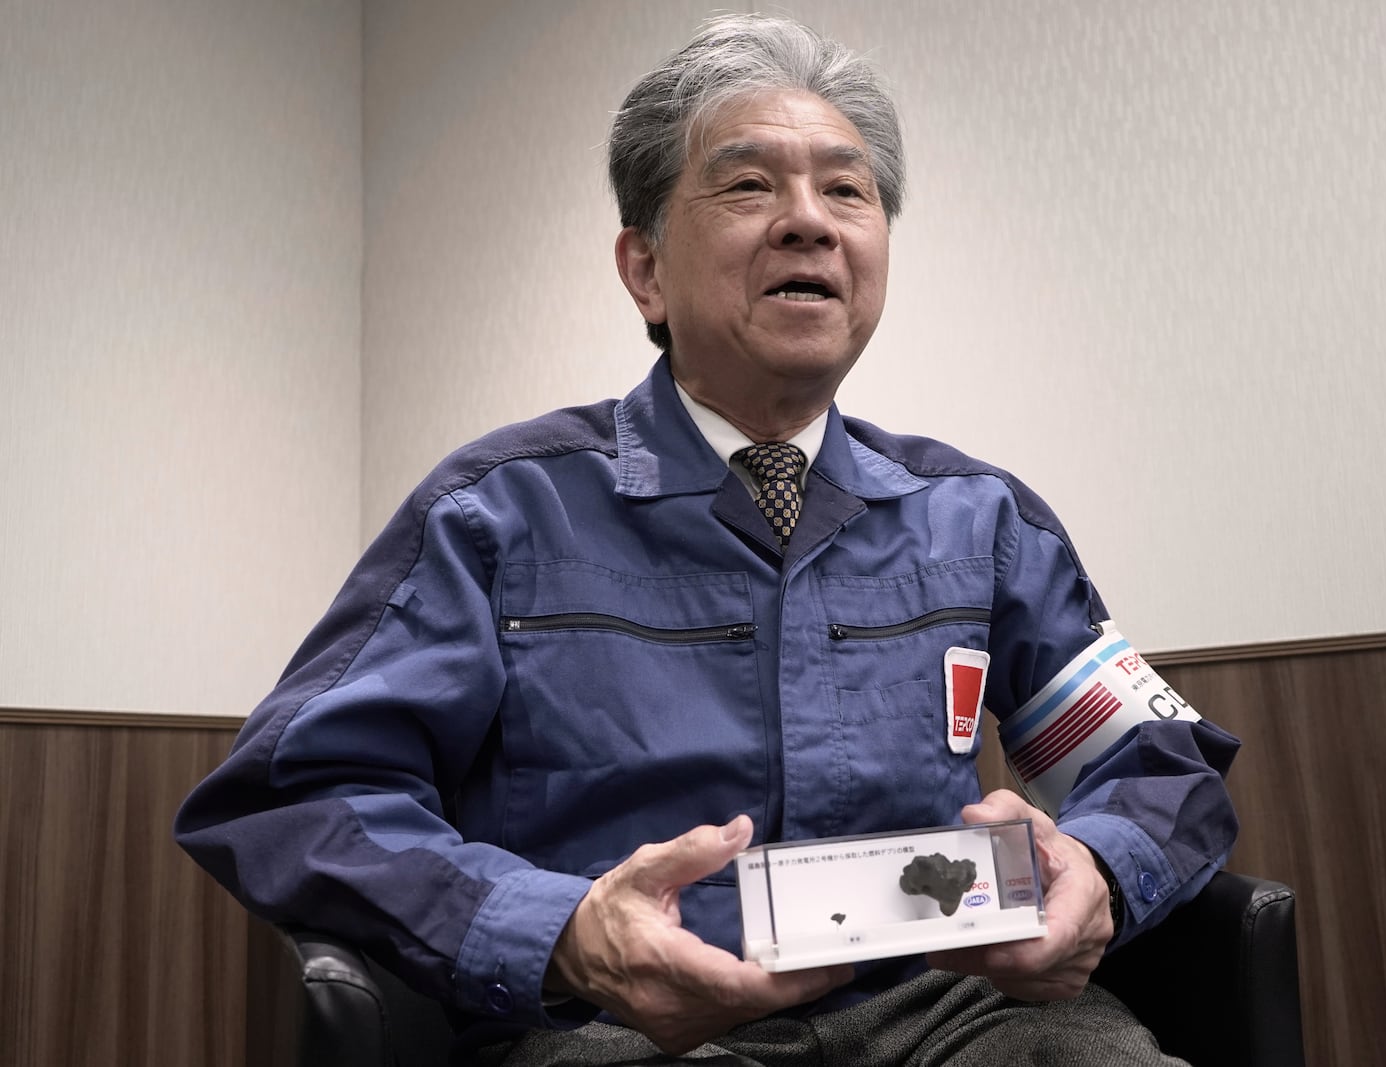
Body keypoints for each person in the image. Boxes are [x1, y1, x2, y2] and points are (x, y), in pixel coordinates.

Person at [175, 14, 1240, 1066]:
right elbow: (301, 794)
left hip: (945, 1011)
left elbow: (1156, 762)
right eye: (747, 185)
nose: (809, 222)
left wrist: (1096, 866)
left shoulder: (978, 518)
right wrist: (562, 931)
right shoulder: (495, 512)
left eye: (846, 188)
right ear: (644, 269)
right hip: (608, 1025)